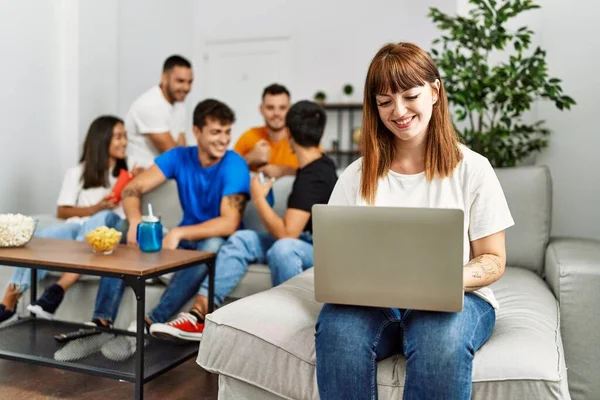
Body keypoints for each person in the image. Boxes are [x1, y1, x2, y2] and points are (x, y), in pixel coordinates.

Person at [314, 42, 515, 400]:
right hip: (376, 303)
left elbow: (493, 259)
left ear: (435, 92)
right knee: (338, 330)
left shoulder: (473, 168)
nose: (399, 111)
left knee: (441, 336)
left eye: (410, 95)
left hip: (459, 297)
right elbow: (334, 259)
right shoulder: (355, 175)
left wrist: (441, 280)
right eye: (385, 101)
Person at [149, 100, 338, 342]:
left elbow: (287, 234)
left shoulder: (314, 176)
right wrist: (283, 171)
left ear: (288, 133)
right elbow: (304, 177)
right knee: (242, 238)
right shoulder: (315, 167)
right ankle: (198, 315)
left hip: (315, 247)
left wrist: (258, 198)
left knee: (283, 248)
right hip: (305, 239)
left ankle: (294, 328)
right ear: (321, 134)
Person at [87, 99, 249, 344]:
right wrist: (134, 221)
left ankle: (149, 321)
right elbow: (133, 188)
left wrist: (178, 233)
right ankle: (101, 321)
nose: (223, 140)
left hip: (213, 239)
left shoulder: (234, 163)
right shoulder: (179, 156)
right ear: (196, 132)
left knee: (212, 245)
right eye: (216, 132)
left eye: (227, 132)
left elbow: (229, 223)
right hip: (183, 238)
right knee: (119, 228)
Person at [0, 116, 137, 323]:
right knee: (42, 239)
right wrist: (95, 207)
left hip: (109, 232)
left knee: (103, 216)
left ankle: (58, 290)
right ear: (102, 139)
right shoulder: (77, 173)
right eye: (118, 136)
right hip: (76, 227)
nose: (124, 142)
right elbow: (63, 211)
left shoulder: (127, 176)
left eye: (125, 136)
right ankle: (9, 301)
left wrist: (132, 183)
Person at [125, 55, 193, 167]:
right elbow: (172, 155)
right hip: (142, 173)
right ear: (164, 78)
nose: (186, 87)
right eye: (180, 81)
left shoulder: (179, 104)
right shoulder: (150, 105)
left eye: (190, 82)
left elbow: (181, 148)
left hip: (164, 172)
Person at [233, 84, 297, 178]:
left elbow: (319, 172)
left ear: (290, 109)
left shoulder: (302, 139)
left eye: (282, 108)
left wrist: (282, 171)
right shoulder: (249, 136)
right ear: (261, 109)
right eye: (270, 108)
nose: (276, 113)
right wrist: (249, 158)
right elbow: (226, 173)